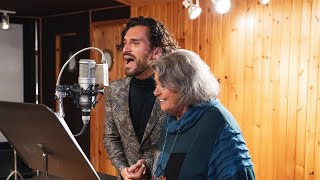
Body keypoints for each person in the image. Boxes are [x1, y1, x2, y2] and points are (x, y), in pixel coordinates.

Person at [128, 49, 255, 179]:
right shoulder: (172, 118)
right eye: (156, 84)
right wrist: (147, 167)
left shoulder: (217, 122)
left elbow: (240, 174)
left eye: (163, 85)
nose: (156, 92)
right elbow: (180, 163)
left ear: (185, 86)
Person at [103, 16, 179, 180]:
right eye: (125, 43)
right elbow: (111, 138)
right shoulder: (114, 91)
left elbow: (179, 140)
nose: (125, 49)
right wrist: (123, 170)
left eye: (135, 43)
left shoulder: (174, 92)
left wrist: (147, 165)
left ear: (156, 52)